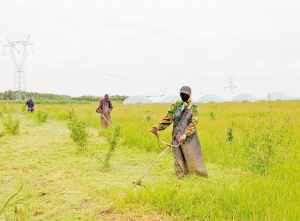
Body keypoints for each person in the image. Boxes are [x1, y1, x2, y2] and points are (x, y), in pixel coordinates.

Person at [151, 86, 208, 179]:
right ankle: (180, 175)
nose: (184, 95)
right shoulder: (175, 105)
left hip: (190, 136)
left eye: (186, 94)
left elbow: (194, 123)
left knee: (192, 155)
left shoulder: (194, 107)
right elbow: (167, 119)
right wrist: (157, 127)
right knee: (177, 155)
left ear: (190, 95)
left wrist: (185, 134)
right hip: (177, 135)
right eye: (182, 94)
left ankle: (196, 174)